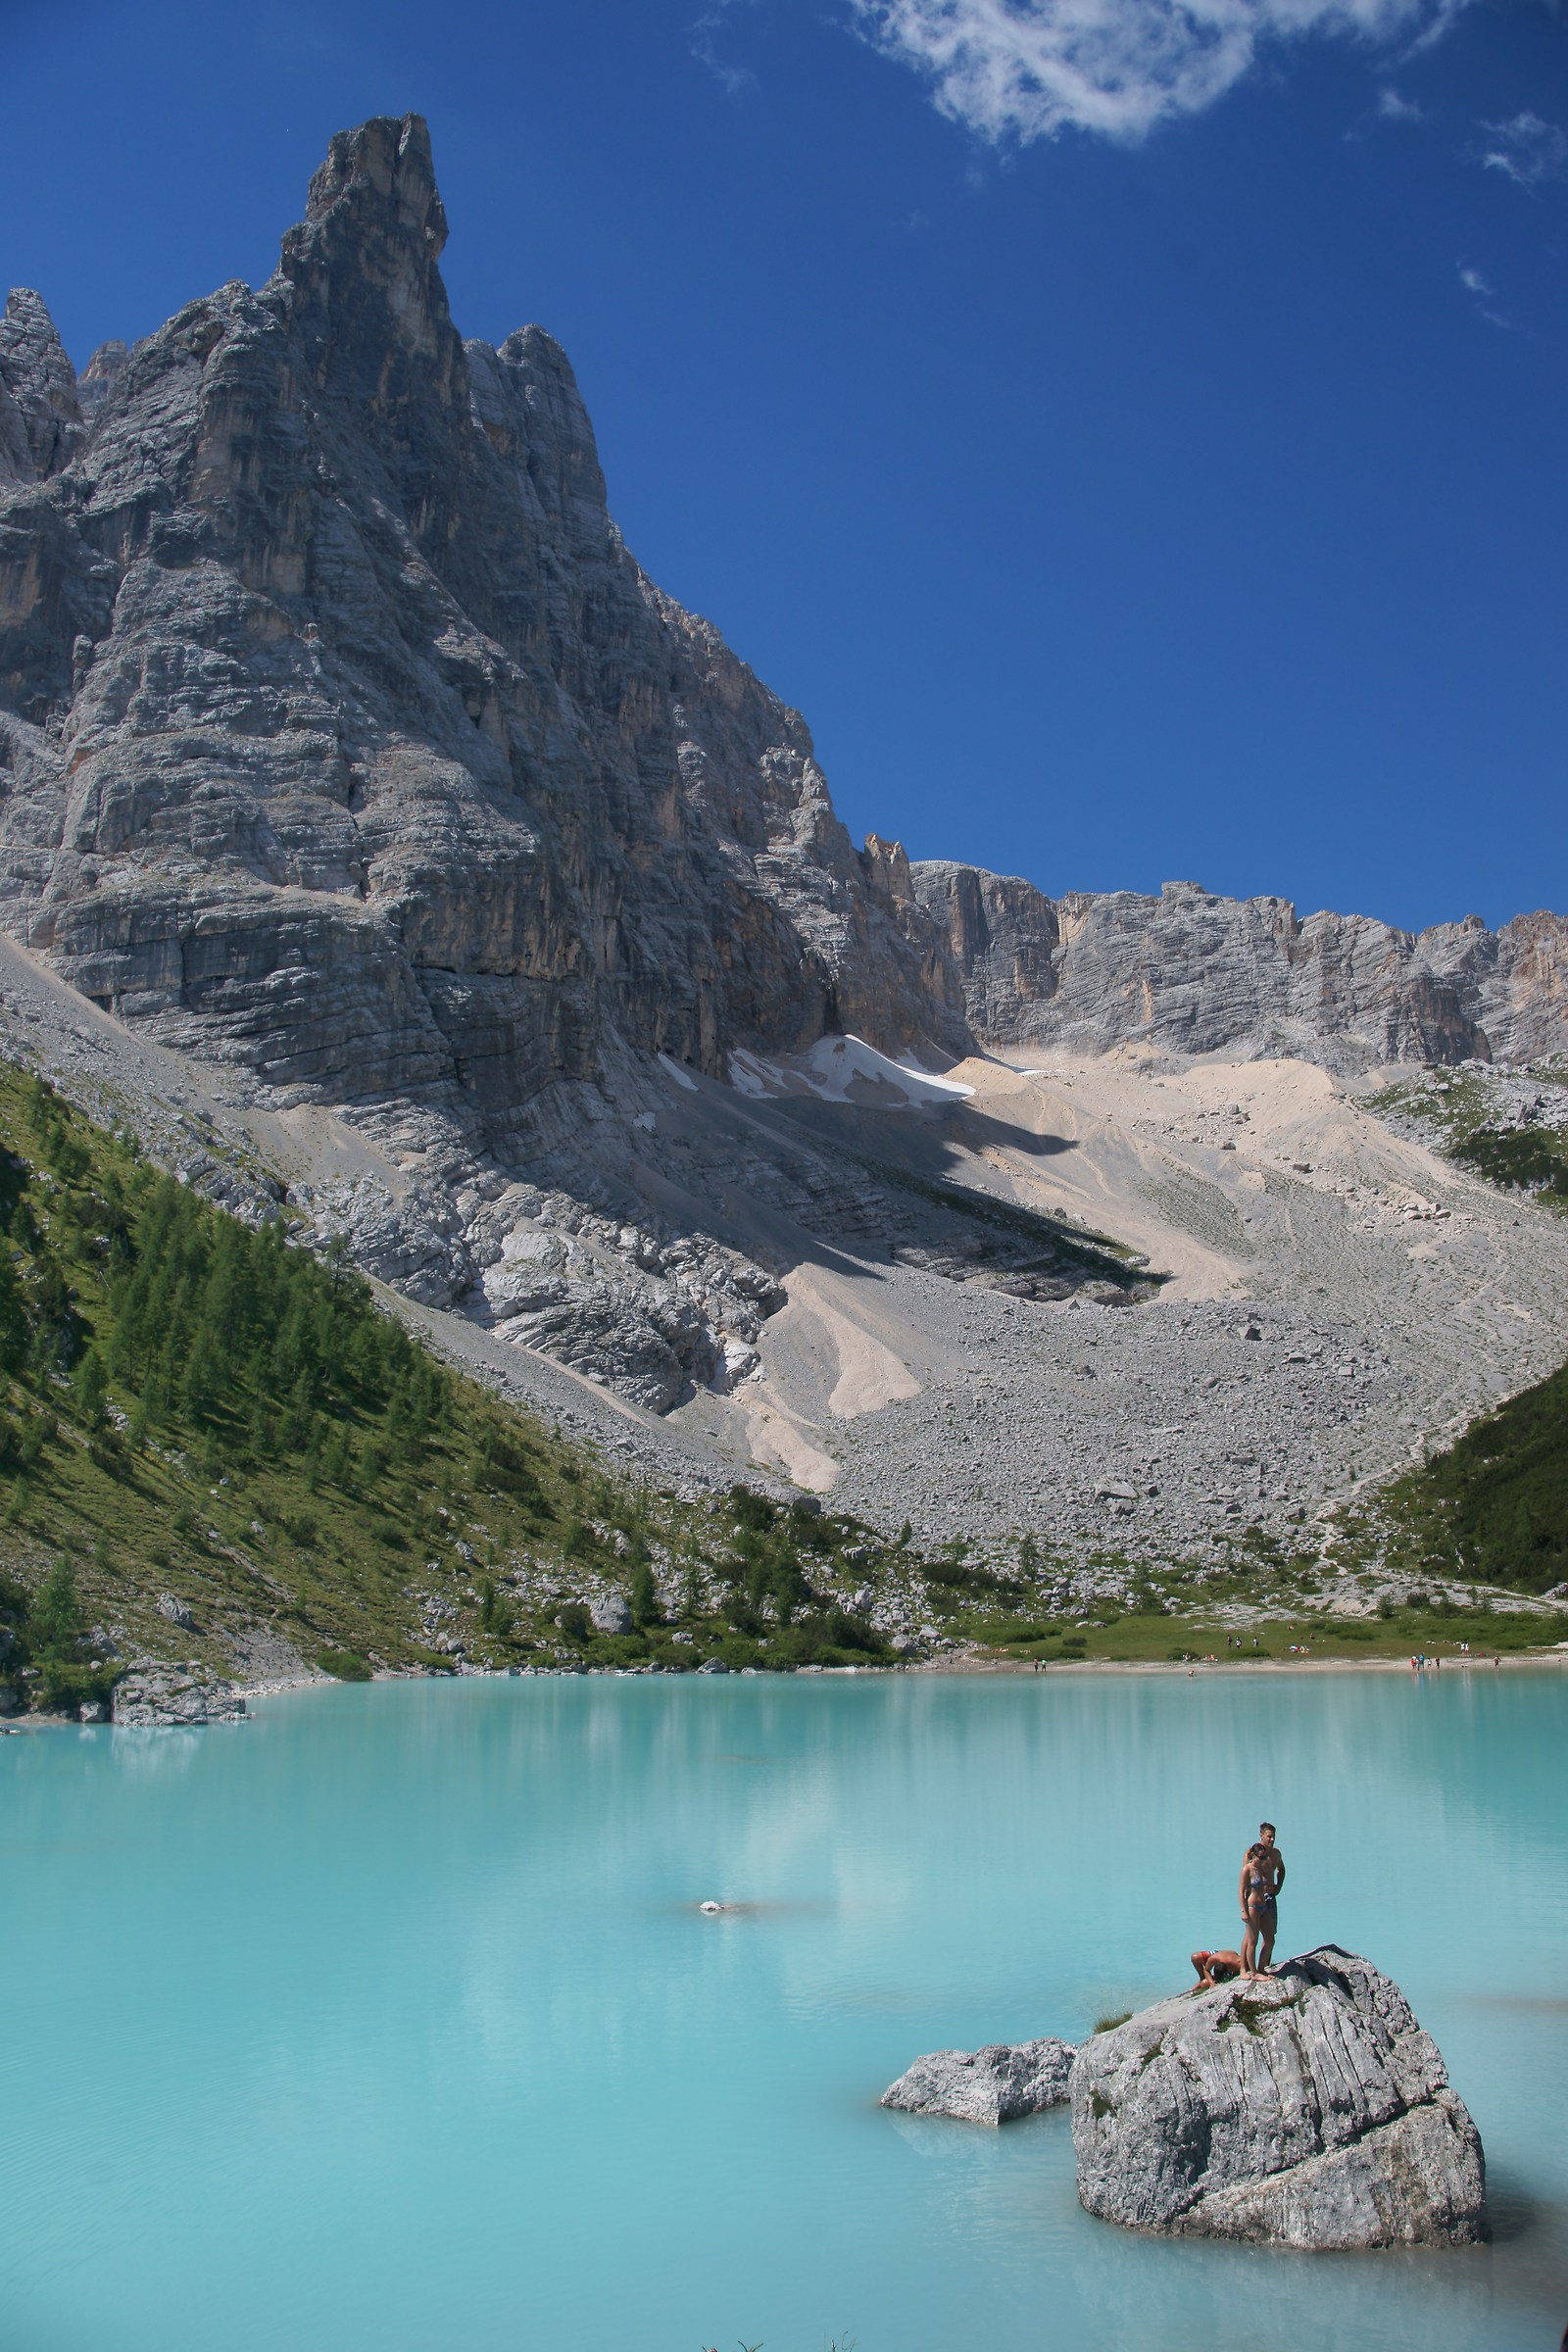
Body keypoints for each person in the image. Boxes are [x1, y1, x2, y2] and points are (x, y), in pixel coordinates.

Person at [1239, 1821, 1286, 1977]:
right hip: (1254, 1899)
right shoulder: (1252, 1853)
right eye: (1269, 1837)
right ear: (1262, 1836)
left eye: (1273, 1837)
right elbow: (1246, 1880)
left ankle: (1263, 1966)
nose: (1272, 1839)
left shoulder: (1275, 1854)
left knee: (1270, 1933)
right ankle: (1243, 1968)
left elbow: (1281, 1870)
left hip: (1270, 1898)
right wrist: (1244, 1907)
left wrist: (1278, 1885)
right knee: (1250, 1935)